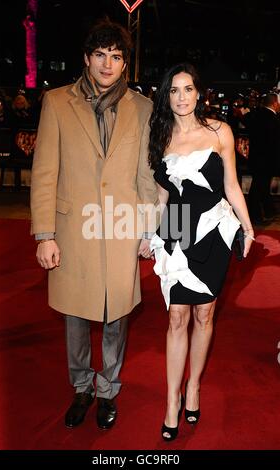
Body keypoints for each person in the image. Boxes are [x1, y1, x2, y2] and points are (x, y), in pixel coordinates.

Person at [30, 18, 158, 430]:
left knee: (117, 315)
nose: (108, 64)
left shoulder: (143, 108)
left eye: (116, 56)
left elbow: (146, 176)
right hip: (73, 230)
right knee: (75, 317)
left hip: (120, 228)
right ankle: (81, 386)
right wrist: (45, 234)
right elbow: (45, 171)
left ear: (125, 64)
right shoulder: (56, 102)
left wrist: (148, 229)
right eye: (100, 55)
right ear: (87, 58)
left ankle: (108, 389)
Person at [148, 63, 254, 441]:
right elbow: (162, 194)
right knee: (177, 317)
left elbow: (231, 184)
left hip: (214, 228)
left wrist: (247, 224)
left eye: (187, 89)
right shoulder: (159, 136)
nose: (181, 97)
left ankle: (194, 387)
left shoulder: (219, 131)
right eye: (173, 90)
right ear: (166, 96)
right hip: (175, 226)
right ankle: (173, 402)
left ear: (198, 93)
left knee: (205, 313)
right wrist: (149, 233)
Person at [246, 93, 280, 225]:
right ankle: (255, 217)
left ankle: (269, 211)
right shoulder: (272, 119)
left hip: (257, 159)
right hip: (266, 161)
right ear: (274, 104)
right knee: (258, 188)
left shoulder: (257, 115)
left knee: (262, 188)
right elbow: (274, 143)